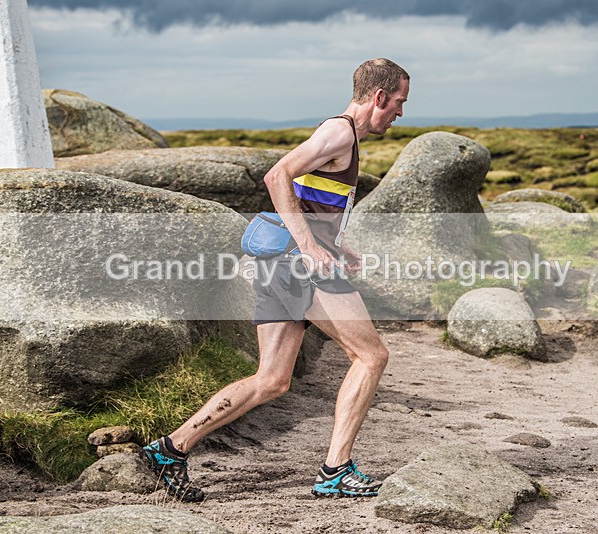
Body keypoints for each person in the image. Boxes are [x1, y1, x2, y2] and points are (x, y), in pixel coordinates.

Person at [143, 58, 410, 502]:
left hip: (280, 266)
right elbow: (276, 175)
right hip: (295, 266)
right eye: (399, 102)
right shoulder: (340, 131)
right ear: (379, 96)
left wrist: (332, 244)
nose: (400, 113)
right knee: (371, 357)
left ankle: (170, 449)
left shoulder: (341, 136)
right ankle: (335, 470)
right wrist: (308, 245)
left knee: (271, 380)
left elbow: (303, 196)